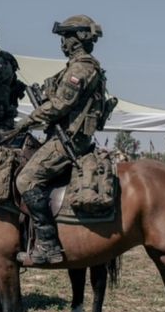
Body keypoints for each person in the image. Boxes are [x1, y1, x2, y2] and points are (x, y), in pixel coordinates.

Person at [7, 14, 107, 265]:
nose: (62, 43)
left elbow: (61, 104)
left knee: (26, 179)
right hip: (65, 136)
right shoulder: (76, 66)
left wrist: (28, 121)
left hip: (69, 140)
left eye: (65, 37)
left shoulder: (82, 68)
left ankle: (48, 244)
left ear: (78, 39)